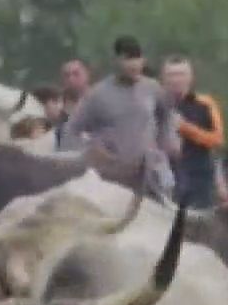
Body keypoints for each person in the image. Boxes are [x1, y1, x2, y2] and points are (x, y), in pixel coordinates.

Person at [60, 36, 179, 200]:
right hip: (111, 176)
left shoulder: (152, 88)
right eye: (128, 61)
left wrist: (167, 142)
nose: (134, 67)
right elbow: (71, 130)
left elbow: (166, 116)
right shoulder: (97, 95)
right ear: (116, 61)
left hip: (149, 172)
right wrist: (86, 154)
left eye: (138, 62)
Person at [160, 56, 225, 207]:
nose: (176, 79)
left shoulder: (205, 103)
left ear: (190, 77)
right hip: (165, 175)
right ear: (163, 78)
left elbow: (218, 139)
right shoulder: (156, 103)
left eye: (181, 74)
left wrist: (185, 128)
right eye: (171, 75)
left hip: (198, 177)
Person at [59, 59, 92, 147]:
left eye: (76, 74)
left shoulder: (99, 102)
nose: (71, 79)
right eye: (67, 75)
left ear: (87, 74)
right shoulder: (57, 105)